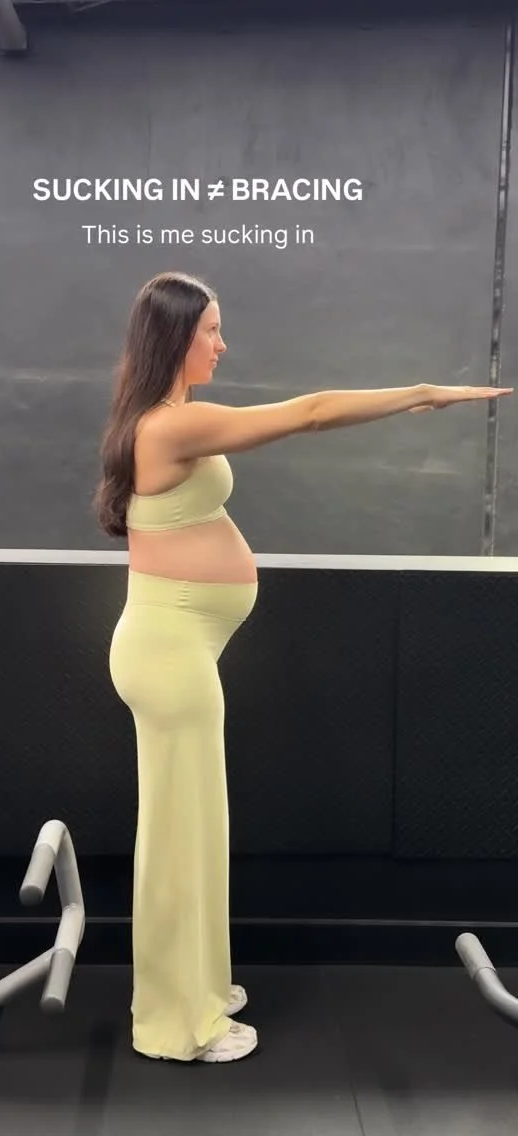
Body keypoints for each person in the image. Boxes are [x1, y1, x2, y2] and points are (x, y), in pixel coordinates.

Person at [94, 270, 513, 1064]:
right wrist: (422, 393)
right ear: (175, 338)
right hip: (167, 652)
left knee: (197, 829)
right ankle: (178, 1023)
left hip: (176, 645)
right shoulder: (169, 426)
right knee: (181, 838)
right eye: (211, 330)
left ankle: (200, 984)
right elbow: (312, 413)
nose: (222, 344)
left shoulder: (163, 419)